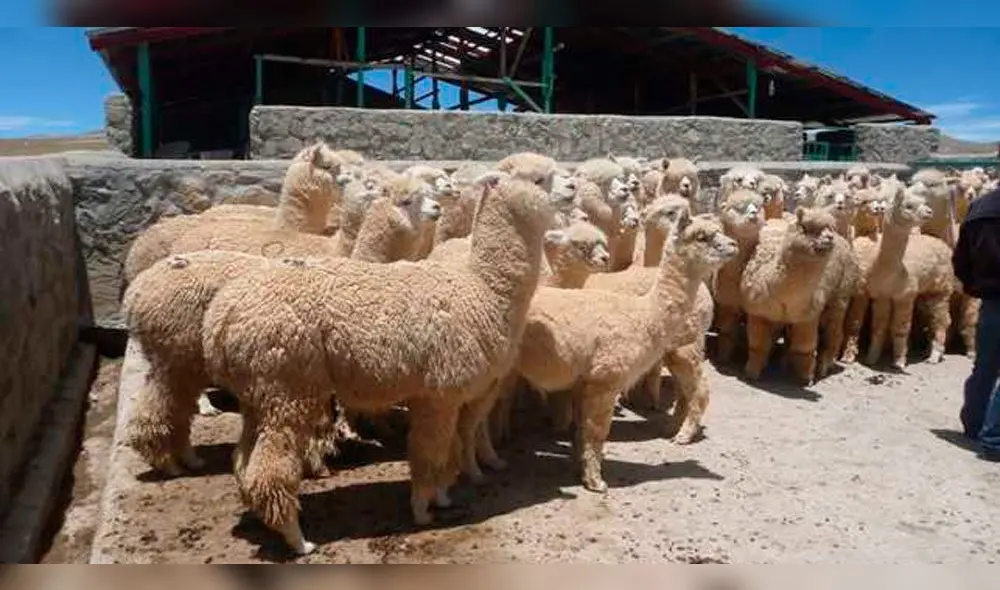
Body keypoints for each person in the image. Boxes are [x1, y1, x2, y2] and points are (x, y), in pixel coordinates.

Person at [953, 180, 1000, 461]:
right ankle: (994, 439)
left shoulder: (980, 207)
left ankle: (974, 425)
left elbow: (961, 258)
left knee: (985, 366)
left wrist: (975, 287)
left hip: (991, 300)